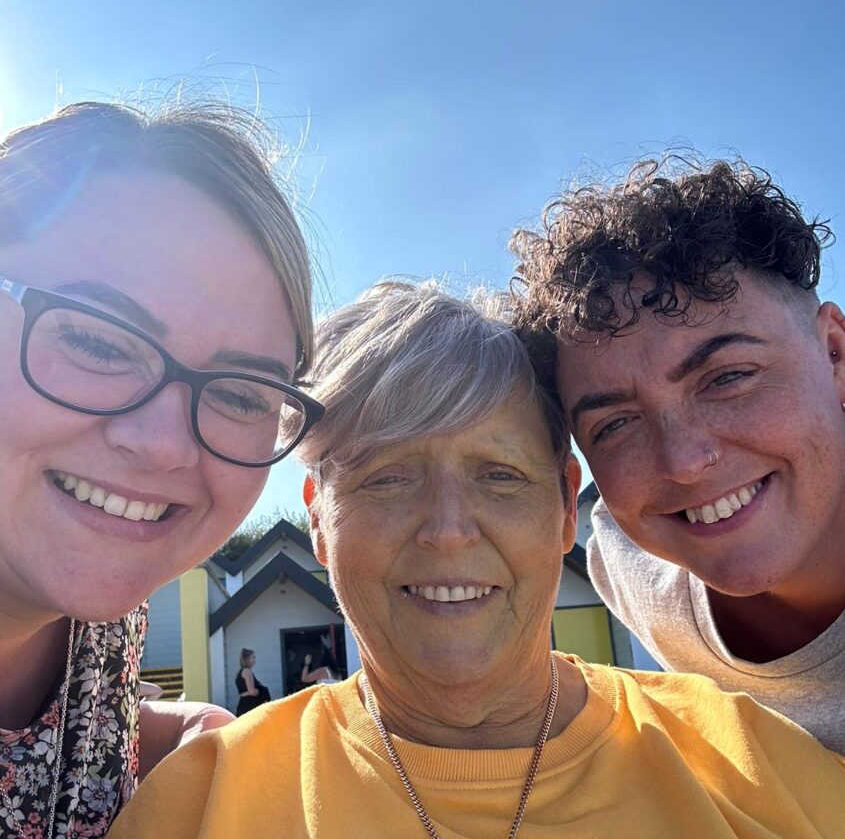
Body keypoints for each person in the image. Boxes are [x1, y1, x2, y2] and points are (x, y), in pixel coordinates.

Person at [110, 281, 843, 839]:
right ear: (318, 520)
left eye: (499, 475)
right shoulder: (197, 804)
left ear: (564, 507)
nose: (448, 531)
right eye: (387, 478)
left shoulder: (753, 763)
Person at [0, 98, 322, 837]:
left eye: (241, 393)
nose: (167, 445)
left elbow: (80, 736)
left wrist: (188, 737)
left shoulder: (104, 616)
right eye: (98, 342)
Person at [511, 154, 845, 753]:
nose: (685, 461)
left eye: (728, 377)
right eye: (615, 425)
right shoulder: (626, 563)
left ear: (836, 355)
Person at [236, 649, 271, 715]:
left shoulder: (241, 672)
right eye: (253, 657)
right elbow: (252, 692)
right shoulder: (247, 671)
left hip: (244, 704)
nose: (255, 660)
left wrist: (243, 694)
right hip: (250, 705)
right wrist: (260, 691)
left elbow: (243, 692)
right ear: (247, 659)